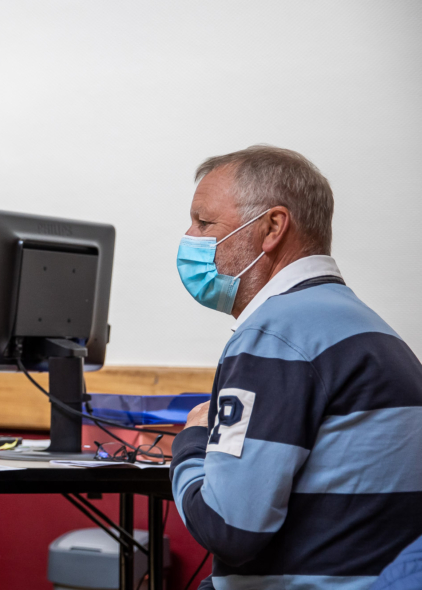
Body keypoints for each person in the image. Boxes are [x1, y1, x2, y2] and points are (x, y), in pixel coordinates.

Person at [170, 145, 422, 590]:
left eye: (204, 223)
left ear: (271, 228)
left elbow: (228, 530)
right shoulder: (361, 324)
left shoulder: (276, 336)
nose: (190, 237)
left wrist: (190, 441)